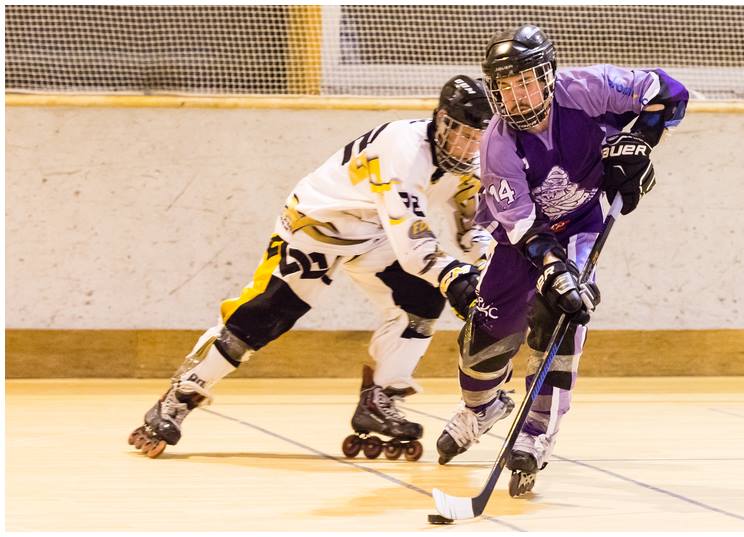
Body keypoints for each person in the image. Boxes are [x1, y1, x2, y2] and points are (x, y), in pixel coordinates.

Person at [129, 75, 494, 460]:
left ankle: (380, 399)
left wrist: (492, 269)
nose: (467, 146)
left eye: (477, 138)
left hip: (374, 231)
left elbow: (476, 225)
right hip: (316, 225)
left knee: (420, 300)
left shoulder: (471, 163)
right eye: (461, 133)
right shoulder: (403, 153)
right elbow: (416, 248)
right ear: (440, 120)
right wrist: (457, 276)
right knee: (265, 315)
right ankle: (180, 395)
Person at [435, 25, 689, 496]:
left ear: (548, 75)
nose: (516, 95)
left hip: (582, 222)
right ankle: (481, 408)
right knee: (481, 346)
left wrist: (640, 145)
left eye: (525, 80)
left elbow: (669, 92)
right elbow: (523, 228)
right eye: (505, 86)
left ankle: (538, 432)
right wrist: (553, 269)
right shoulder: (498, 143)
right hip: (521, 239)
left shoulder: (589, 89)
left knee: (564, 315)